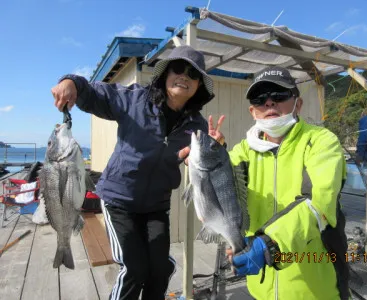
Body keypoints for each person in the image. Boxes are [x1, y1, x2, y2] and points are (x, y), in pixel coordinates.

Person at [51, 45, 224, 300]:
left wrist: (217, 148)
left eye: (193, 74)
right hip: (120, 201)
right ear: (165, 74)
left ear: (199, 86)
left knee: (161, 269)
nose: (184, 76)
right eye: (178, 68)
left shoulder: (197, 124)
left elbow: (205, 164)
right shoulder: (134, 99)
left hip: (157, 205)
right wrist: (71, 82)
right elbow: (97, 95)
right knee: (134, 269)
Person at [223, 67, 349, 299]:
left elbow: (319, 204)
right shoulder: (243, 150)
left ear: (298, 104)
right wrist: (211, 154)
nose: (269, 103)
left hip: (316, 286)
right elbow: (221, 185)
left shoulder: (321, 142)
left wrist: (268, 244)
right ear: (253, 111)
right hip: (262, 287)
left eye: (279, 95)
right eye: (260, 99)